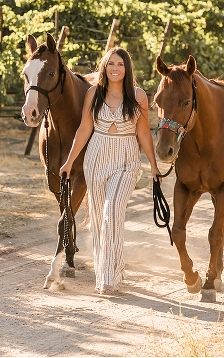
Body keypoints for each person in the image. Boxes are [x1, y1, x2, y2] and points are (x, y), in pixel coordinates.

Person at [59, 47, 160, 295]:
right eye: (111, 64)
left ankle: (108, 278)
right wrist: (69, 161)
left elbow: (144, 132)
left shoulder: (138, 96)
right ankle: (111, 267)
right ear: (104, 67)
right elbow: (84, 129)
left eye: (120, 64)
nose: (115, 68)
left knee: (111, 211)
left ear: (127, 69)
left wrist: (154, 166)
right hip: (96, 156)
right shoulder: (93, 94)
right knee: (98, 220)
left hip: (126, 159)